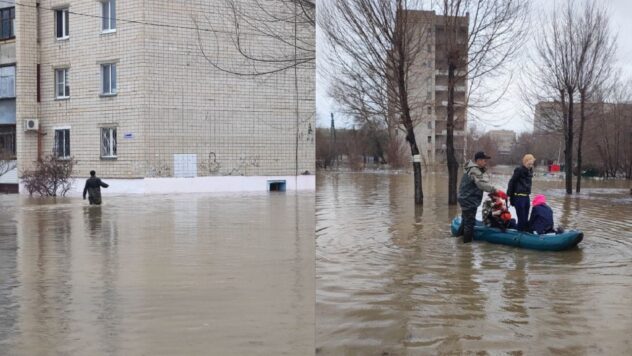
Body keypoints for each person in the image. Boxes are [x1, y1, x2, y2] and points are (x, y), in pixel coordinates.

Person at [457, 151, 501, 243]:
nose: (486, 162)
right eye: (484, 160)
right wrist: (495, 190)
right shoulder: (475, 171)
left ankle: (458, 240)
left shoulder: (472, 168)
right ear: (478, 161)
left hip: (465, 198)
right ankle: (466, 250)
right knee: (469, 223)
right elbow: (481, 185)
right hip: (469, 200)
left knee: (465, 221)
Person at [507, 154, 535, 231]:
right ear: (525, 162)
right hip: (519, 198)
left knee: (525, 220)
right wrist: (509, 196)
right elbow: (512, 182)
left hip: (526, 198)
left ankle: (524, 233)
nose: (530, 165)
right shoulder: (519, 170)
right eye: (529, 163)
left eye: (532, 164)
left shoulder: (530, 172)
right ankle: (519, 233)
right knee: (521, 219)